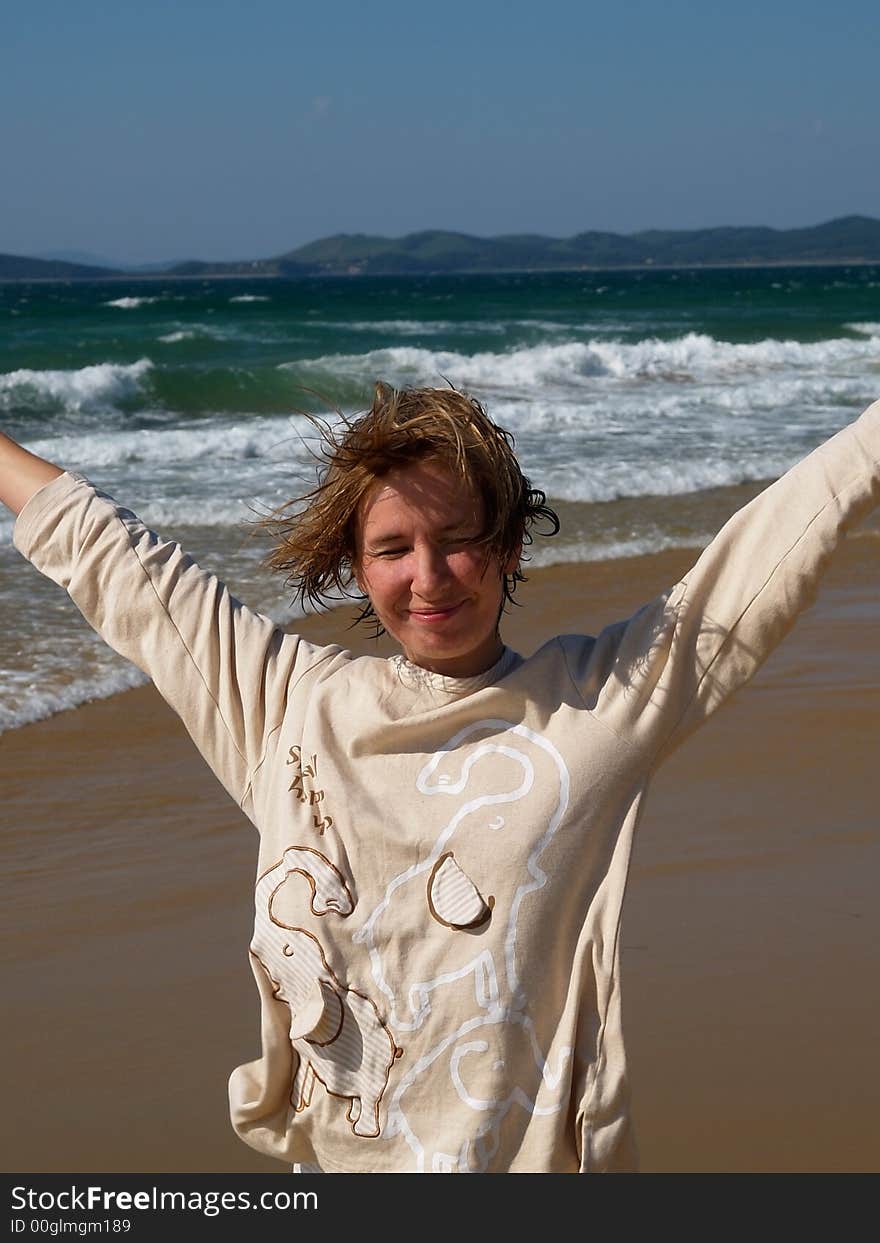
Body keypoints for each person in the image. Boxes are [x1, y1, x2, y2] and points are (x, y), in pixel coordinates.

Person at [1, 383, 878, 1174]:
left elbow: (772, 545)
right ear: (354, 562)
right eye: (393, 547)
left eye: (459, 539)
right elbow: (118, 560)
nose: (429, 577)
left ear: (508, 548)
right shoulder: (286, 707)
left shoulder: (595, 702)